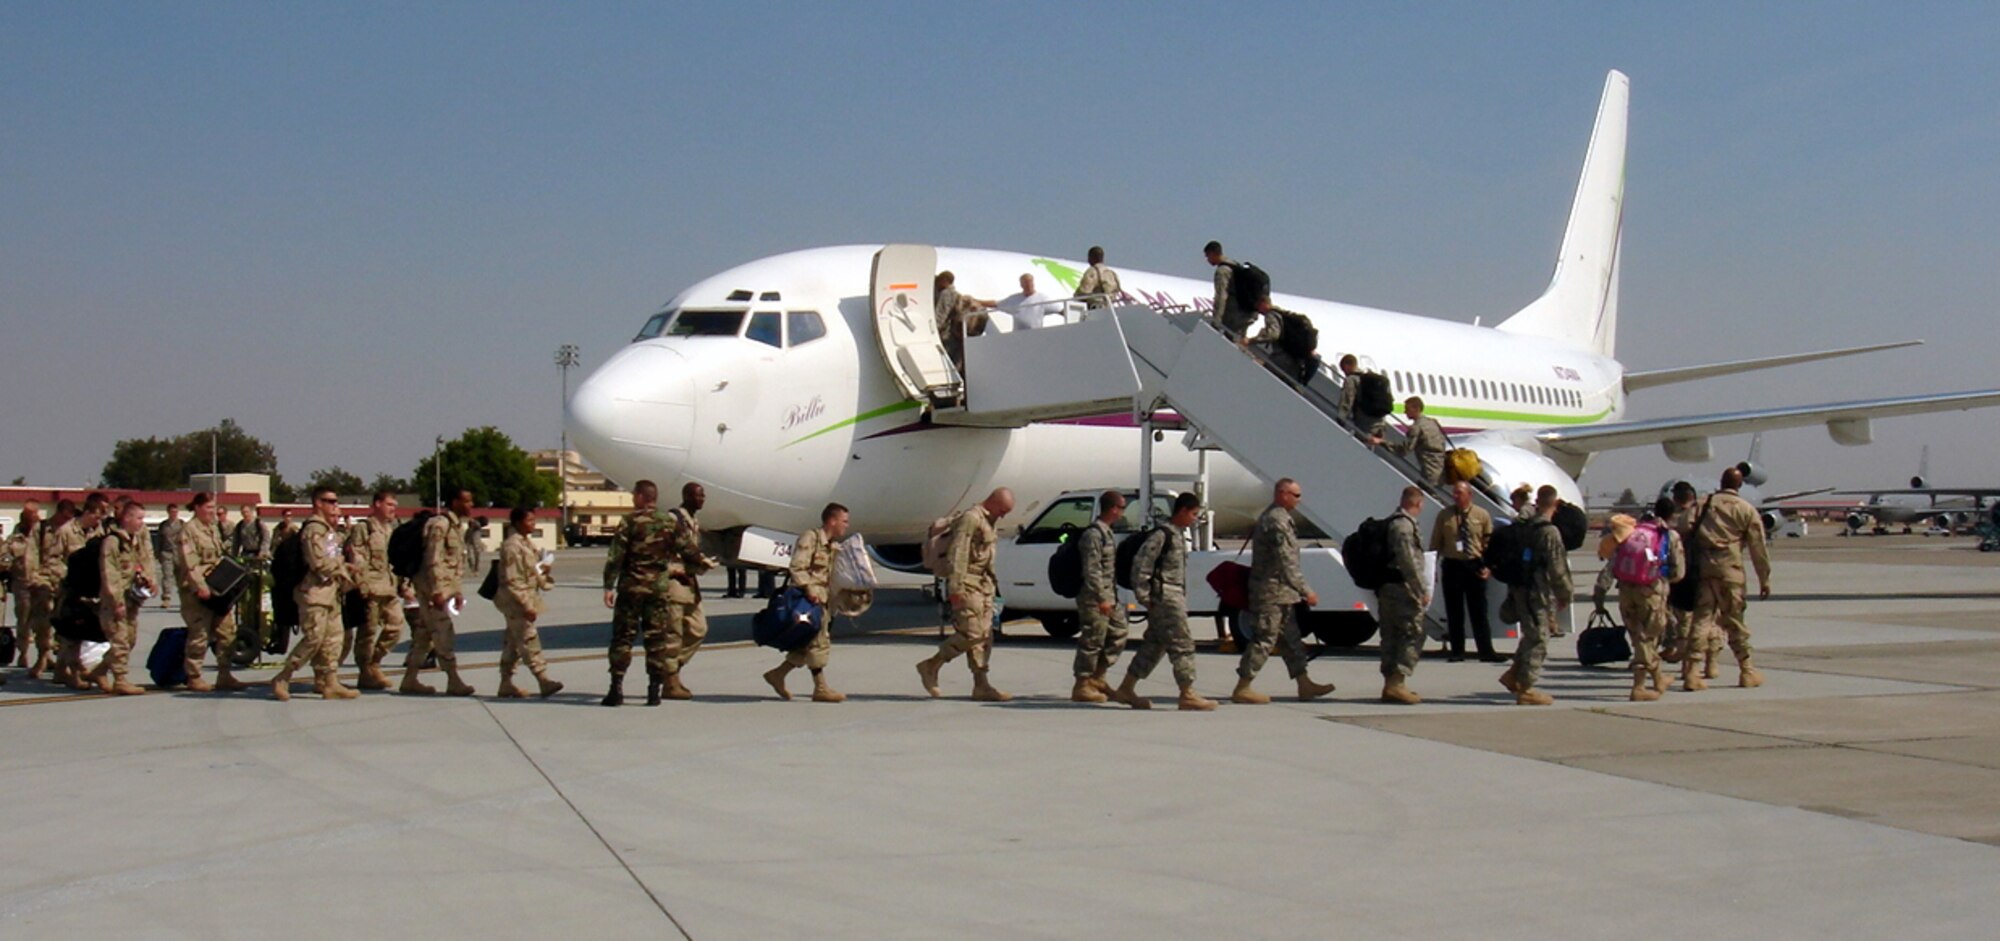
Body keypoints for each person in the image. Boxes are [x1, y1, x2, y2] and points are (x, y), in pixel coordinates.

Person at [1112, 493, 1219, 711]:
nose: (1194, 519)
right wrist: (1144, 596)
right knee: (1182, 643)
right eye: (1193, 514)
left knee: (1155, 644)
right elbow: (1142, 565)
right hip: (1166, 599)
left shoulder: (1177, 535)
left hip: (1172, 596)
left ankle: (1126, 687)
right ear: (1182, 511)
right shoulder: (1162, 535)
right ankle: (1187, 693)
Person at [1234, 478, 1336, 704]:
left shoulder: (1282, 518)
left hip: (1281, 592)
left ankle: (1304, 683)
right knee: (1265, 639)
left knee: (1291, 640)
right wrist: (1305, 590)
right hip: (1270, 592)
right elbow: (1285, 561)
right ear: (1282, 494)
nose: (1300, 500)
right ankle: (1243, 686)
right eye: (1296, 495)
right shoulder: (1275, 521)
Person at [916, 487, 1014, 702]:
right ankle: (932, 665)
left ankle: (981, 685)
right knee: (973, 633)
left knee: (984, 637)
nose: (1004, 515)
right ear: (994, 502)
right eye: (1003, 510)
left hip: (984, 584)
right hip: (967, 584)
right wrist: (956, 588)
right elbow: (958, 553)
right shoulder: (971, 518)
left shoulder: (988, 521)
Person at [1592, 499, 1684, 702]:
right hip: (1650, 591)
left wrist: (1600, 594)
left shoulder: (1631, 531)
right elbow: (1678, 572)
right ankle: (1639, 687)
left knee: (1638, 637)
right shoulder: (1668, 535)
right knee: (1647, 639)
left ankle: (1658, 678)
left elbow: (1612, 563)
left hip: (1626, 590)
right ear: (1672, 514)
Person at [272, 487, 358, 701]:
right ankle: (283, 677)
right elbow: (318, 563)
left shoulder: (328, 530)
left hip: (330, 592)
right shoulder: (314, 530)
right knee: (314, 638)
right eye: (329, 501)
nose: (334, 505)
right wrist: (343, 566)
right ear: (317, 503)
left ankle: (329, 682)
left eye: (336, 501)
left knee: (333, 639)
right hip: (313, 593)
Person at [1692, 467, 1773, 689]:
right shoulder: (1745, 509)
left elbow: (1682, 527)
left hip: (1704, 569)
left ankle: (1692, 671)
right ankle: (1746, 671)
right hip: (1730, 571)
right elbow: (1758, 548)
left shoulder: (1702, 505)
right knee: (1735, 621)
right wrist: (1764, 579)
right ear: (1739, 485)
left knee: (1701, 620)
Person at [763, 502, 851, 703]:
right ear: (832, 520)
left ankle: (778, 674)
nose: (846, 525)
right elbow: (797, 567)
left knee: (806, 643)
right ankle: (820, 688)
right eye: (844, 521)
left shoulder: (831, 546)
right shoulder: (810, 538)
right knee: (819, 643)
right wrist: (810, 589)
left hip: (824, 598)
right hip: (810, 599)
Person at [601, 479, 677, 707]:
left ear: (642, 497)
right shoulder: (669, 522)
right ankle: (654, 690)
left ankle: (616, 689)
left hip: (631, 588)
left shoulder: (629, 522)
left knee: (623, 638)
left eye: (635, 495)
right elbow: (687, 548)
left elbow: (616, 556)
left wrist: (608, 586)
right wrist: (698, 566)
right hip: (658, 590)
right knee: (656, 638)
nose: (633, 498)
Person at [1499, 485, 1571, 705]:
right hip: (1537, 591)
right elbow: (1557, 568)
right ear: (1555, 504)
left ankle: (1514, 674)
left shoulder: (1526, 526)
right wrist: (1565, 594)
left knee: (1531, 634)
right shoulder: (1549, 532)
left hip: (1520, 587)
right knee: (1539, 637)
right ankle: (1527, 688)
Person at [401, 487, 475, 697]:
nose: (470, 505)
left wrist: (457, 591)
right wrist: (436, 591)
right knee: (444, 632)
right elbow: (432, 560)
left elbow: (453, 563)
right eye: (466, 501)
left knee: (425, 634)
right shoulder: (440, 525)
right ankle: (453, 679)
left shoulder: (457, 526)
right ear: (454, 502)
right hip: (431, 588)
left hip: (443, 588)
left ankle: (410, 679)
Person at [176, 493, 247, 692]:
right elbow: (189, 563)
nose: (212, 512)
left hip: (217, 589)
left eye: (214, 507)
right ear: (197, 508)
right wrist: (200, 587)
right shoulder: (188, 531)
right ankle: (194, 676)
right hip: (197, 591)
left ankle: (224, 674)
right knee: (199, 634)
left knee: (227, 632)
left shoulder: (212, 528)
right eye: (208, 507)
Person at [494, 506, 562, 699]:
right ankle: (543, 679)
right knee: (528, 639)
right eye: (529, 520)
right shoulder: (512, 546)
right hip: (516, 602)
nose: (533, 524)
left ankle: (505, 683)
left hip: (523, 599)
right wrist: (527, 606)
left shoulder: (526, 544)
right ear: (517, 523)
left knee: (513, 644)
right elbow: (513, 580)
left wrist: (544, 572)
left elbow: (530, 573)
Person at [90, 501, 157, 696]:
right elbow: (109, 574)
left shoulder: (133, 540)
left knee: (129, 639)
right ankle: (120, 679)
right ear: (127, 518)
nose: (141, 523)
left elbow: (143, 562)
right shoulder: (112, 542)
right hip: (115, 602)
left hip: (131, 600)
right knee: (120, 639)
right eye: (138, 518)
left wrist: (149, 580)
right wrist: (116, 602)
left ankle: (99, 671)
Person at [1431, 481, 1502, 662]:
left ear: (1469, 495)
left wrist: (1489, 567)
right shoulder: (1444, 515)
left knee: (1479, 611)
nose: (1456, 496)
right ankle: (1457, 651)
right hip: (1453, 565)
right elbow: (1435, 544)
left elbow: (1489, 545)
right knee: (1454, 612)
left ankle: (1486, 651)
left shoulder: (1481, 515)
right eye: (1454, 493)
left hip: (1474, 566)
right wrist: (1432, 569)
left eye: (1459, 493)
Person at [345, 489, 409, 690]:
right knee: (368, 633)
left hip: (388, 587)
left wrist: (403, 585)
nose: (393, 509)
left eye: (395, 506)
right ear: (377, 504)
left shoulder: (392, 530)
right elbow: (357, 558)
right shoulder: (364, 529)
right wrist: (362, 585)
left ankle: (375, 662)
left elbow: (396, 560)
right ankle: (365, 671)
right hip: (371, 588)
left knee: (396, 626)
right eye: (390, 505)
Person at [1070, 491, 1127, 703]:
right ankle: (1082, 684)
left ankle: (1097, 677)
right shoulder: (1093, 535)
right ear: (1112, 508)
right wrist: (1101, 597)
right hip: (1094, 597)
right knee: (1093, 639)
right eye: (1121, 508)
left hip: (1109, 595)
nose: (1122, 512)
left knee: (1118, 633)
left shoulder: (1107, 532)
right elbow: (1091, 570)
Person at [1378, 486, 1431, 704]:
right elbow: (1407, 560)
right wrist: (1421, 588)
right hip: (1401, 588)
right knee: (1413, 633)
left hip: (1390, 587)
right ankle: (1397, 681)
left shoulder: (1394, 522)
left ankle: (1391, 684)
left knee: (1392, 635)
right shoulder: (1403, 526)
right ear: (1418, 503)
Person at [662, 482, 714, 697]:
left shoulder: (693, 522)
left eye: (703, 495)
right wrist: (673, 571)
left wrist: (702, 565)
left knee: (698, 629)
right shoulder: (673, 519)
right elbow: (659, 552)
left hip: (690, 584)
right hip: (674, 583)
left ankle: (670, 670)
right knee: (673, 633)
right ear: (686, 496)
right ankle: (670, 681)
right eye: (698, 495)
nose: (702, 499)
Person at [8, 502, 47, 677]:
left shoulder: (43, 534)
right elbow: (6, 557)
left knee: (44, 621)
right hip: (22, 583)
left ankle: (43, 656)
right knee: (23, 620)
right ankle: (23, 652)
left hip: (40, 583)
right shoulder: (15, 537)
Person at [934, 270, 994, 373]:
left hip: (952, 334)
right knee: (958, 360)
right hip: (964, 334)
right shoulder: (956, 295)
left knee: (948, 359)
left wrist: (933, 331)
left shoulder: (947, 294)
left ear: (944, 281)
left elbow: (940, 315)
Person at [1384, 396, 1449, 486]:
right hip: (1441, 472)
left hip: (1429, 472)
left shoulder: (1417, 427)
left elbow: (1404, 450)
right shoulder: (1432, 422)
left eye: (1407, 409)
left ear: (1416, 408)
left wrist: (1382, 442)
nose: (1405, 412)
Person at [1204, 240, 1260, 342]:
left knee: (1226, 344)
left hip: (1233, 316)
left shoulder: (1222, 271)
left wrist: (1216, 321)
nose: (1207, 260)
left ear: (1213, 253)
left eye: (1208, 256)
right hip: (1247, 313)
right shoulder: (1235, 265)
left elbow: (1221, 296)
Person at [1336, 355, 1387, 443]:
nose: (1344, 373)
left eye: (1343, 370)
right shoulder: (1370, 379)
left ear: (1347, 366)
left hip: (1364, 424)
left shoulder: (1351, 379)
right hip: (1380, 423)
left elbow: (1347, 401)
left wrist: (1340, 419)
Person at [154, 502, 184, 608]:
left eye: (176, 512)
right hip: (167, 553)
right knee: (167, 576)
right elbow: (159, 540)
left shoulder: (182, 524)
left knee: (181, 577)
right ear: (168, 512)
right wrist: (158, 553)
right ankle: (166, 598)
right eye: (172, 512)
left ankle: (184, 599)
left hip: (179, 554)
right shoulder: (163, 525)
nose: (174, 514)